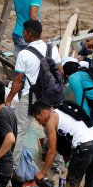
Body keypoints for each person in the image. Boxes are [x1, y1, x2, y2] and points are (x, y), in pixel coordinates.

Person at [5, 20, 62, 177]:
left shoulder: (24, 54)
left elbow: (18, 80)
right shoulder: (52, 48)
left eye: (24, 32)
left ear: (29, 33)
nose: (23, 34)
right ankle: (57, 165)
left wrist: (9, 99)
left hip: (31, 97)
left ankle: (12, 168)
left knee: (18, 131)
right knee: (52, 131)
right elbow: (60, 72)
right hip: (49, 97)